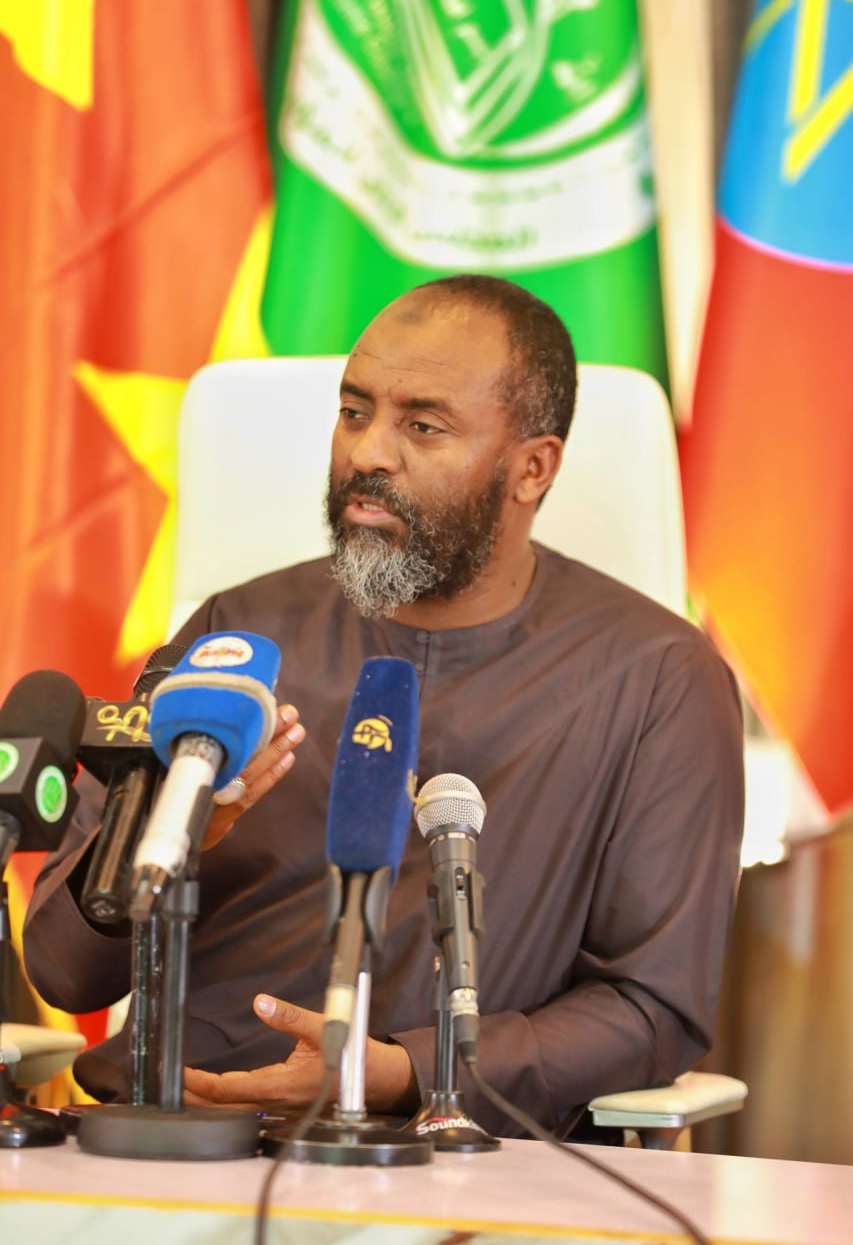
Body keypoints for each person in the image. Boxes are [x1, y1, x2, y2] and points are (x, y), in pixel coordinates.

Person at [23, 275, 744, 1138]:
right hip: (176, 1135)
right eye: (353, 411)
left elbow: (652, 1006)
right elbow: (65, 974)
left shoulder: (655, 677)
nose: (367, 452)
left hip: (463, 1161)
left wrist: (408, 1072)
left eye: (422, 426)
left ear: (531, 468)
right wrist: (168, 840)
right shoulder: (233, 640)